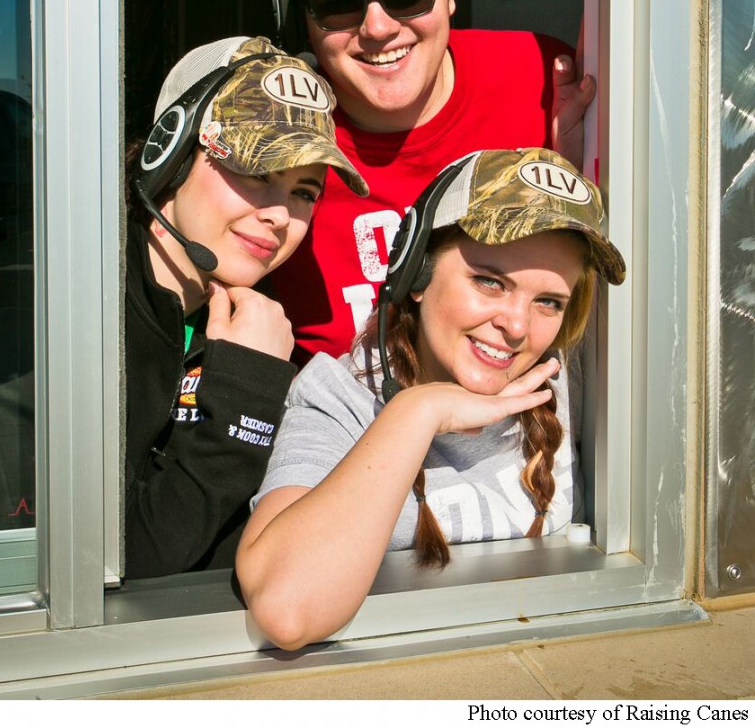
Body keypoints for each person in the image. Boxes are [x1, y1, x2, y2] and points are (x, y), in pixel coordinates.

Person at [235, 147, 625, 651]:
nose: (517, 327)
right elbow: (287, 610)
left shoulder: (568, 376)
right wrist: (418, 411)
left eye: (548, 301)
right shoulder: (338, 398)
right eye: (489, 282)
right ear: (414, 274)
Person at [267, 0, 596, 363]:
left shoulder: (543, 84)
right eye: (340, 5)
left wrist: (587, 173)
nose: (377, 28)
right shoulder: (273, 140)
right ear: (300, 24)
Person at [118, 37, 368, 576]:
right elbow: (118, 569)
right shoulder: (79, 323)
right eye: (256, 174)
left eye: (304, 191)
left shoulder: (251, 320)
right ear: (170, 156)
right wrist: (244, 394)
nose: (280, 215)